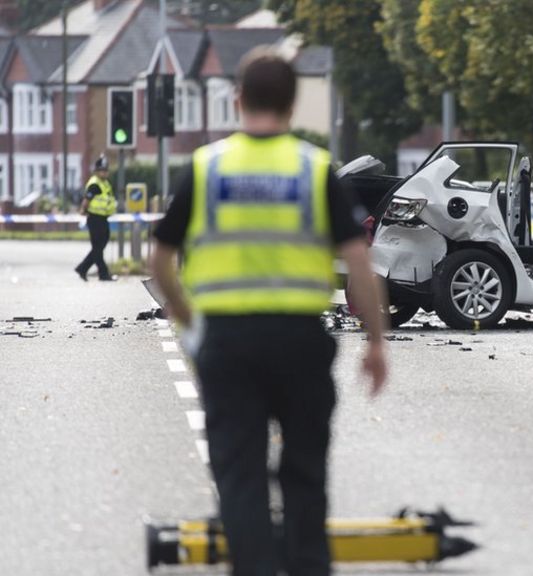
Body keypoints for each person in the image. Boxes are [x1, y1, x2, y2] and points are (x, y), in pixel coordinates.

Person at [150, 47, 389, 576]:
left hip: (228, 346)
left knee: (240, 478)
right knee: (305, 476)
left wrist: (188, 315)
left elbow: (160, 258)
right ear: (293, 102)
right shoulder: (314, 169)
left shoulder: (207, 168)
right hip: (299, 343)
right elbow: (359, 262)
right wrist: (376, 342)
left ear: (237, 100)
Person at [74, 156, 117, 281]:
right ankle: (103, 274)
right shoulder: (94, 184)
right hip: (94, 218)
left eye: (105, 170)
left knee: (99, 247)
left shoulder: (105, 183)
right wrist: (83, 210)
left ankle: (83, 268)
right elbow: (87, 199)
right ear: (97, 171)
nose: (104, 172)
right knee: (98, 248)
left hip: (103, 218)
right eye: (101, 170)